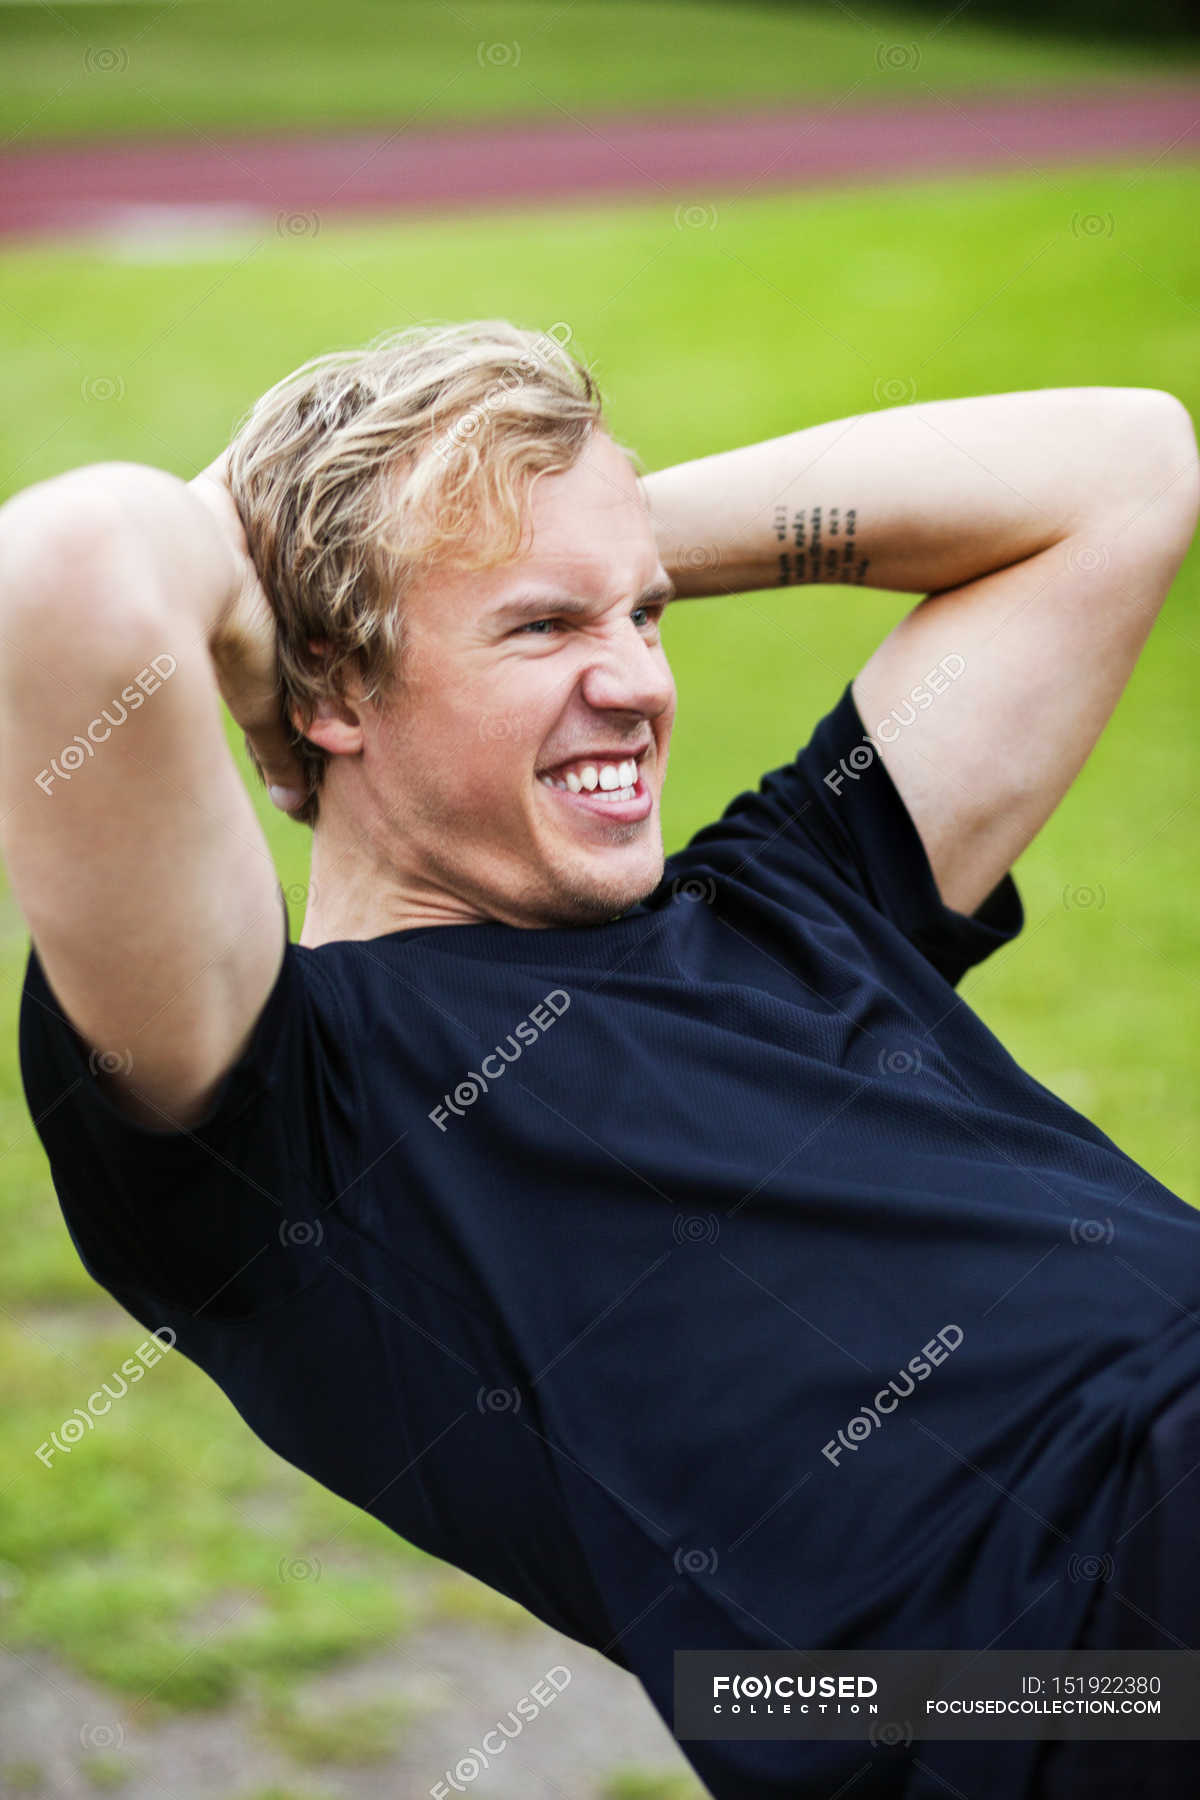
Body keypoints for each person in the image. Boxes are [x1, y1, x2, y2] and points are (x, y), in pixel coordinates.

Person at [3, 319, 1199, 1799]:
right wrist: (323, 579)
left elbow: (1127, 467)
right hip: (1077, 1670)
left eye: (644, 616)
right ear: (329, 689)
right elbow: (63, 577)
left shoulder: (795, 898)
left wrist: (572, 535)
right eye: (544, 629)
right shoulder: (293, 1113)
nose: (638, 682)